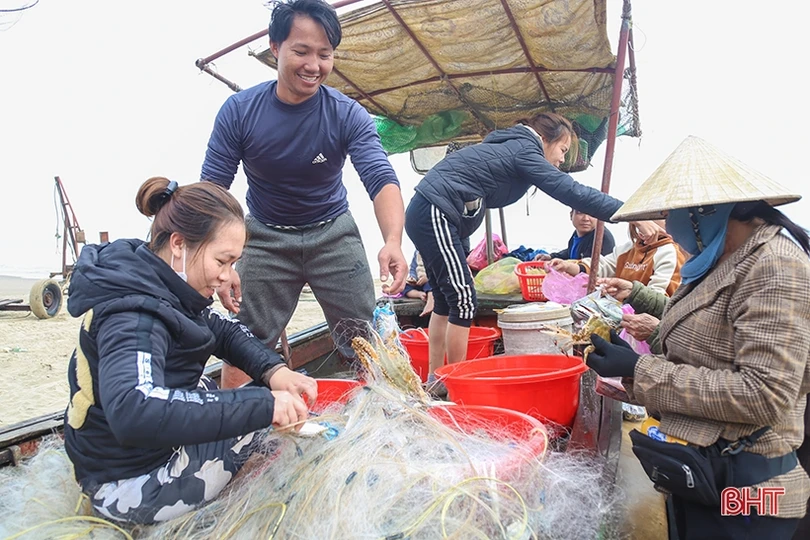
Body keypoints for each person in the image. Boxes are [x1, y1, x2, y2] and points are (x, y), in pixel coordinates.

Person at [586, 136, 810, 538]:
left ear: (705, 212)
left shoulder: (776, 266)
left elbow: (763, 394)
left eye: (673, 213)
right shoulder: (720, 261)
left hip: (750, 489)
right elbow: (706, 349)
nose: (669, 224)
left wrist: (642, 368)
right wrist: (632, 364)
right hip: (705, 471)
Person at [63, 177, 318, 524]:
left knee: (272, 392)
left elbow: (222, 331)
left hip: (131, 454)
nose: (228, 276)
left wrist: (274, 371)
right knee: (267, 421)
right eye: (222, 261)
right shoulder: (134, 316)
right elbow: (134, 409)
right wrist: (263, 405)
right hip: (126, 485)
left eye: (234, 264)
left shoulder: (155, 276)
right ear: (179, 244)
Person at [200, 0, 408, 363]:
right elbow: (214, 191)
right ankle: (238, 419)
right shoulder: (240, 112)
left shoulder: (347, 114)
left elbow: (380, 177)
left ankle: (379, 412)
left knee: (365, 342)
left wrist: (393, 241)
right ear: (276, 47)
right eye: (302, 51)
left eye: (325, 55)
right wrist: (223, 263)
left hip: (333, 233)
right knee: (244, 341)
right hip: (264, 234)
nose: (314, 66)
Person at [404, 112, 624, 389]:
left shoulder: (508, 146)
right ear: (545, 139)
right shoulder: (524, 148)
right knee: (463, 299)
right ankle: (453, 383)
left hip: (433, 213)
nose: (561, 160)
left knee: (448, 300)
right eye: (563, 150)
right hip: (436, 210)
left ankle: (436, 380)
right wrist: (626, 211)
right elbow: (571, 191)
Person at [549, 219, 685, 297]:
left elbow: (659, 297)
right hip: (620, 316)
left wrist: (628, 294)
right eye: (642, 218)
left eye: (654, 217)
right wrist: (567, 266)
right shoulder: (628, 248)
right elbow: (602, 265)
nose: (647, 223)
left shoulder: (669, 252)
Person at [535, 208, 615, 261]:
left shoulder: (601, 237)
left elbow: (586, 266)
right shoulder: (577, 233)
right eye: (580, 213)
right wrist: (550, 257)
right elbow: (570, 251)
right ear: (571, 215)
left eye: (592, 214)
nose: (586, 219)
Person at [402, 250, 434, 317]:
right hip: (419, 281)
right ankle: (419, 294)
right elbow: (413, 268)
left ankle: (431, 300)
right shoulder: (417, 252)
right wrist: (413, 278)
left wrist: (427, 277)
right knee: (403, 285)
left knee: (431, 284)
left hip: (430, 280)